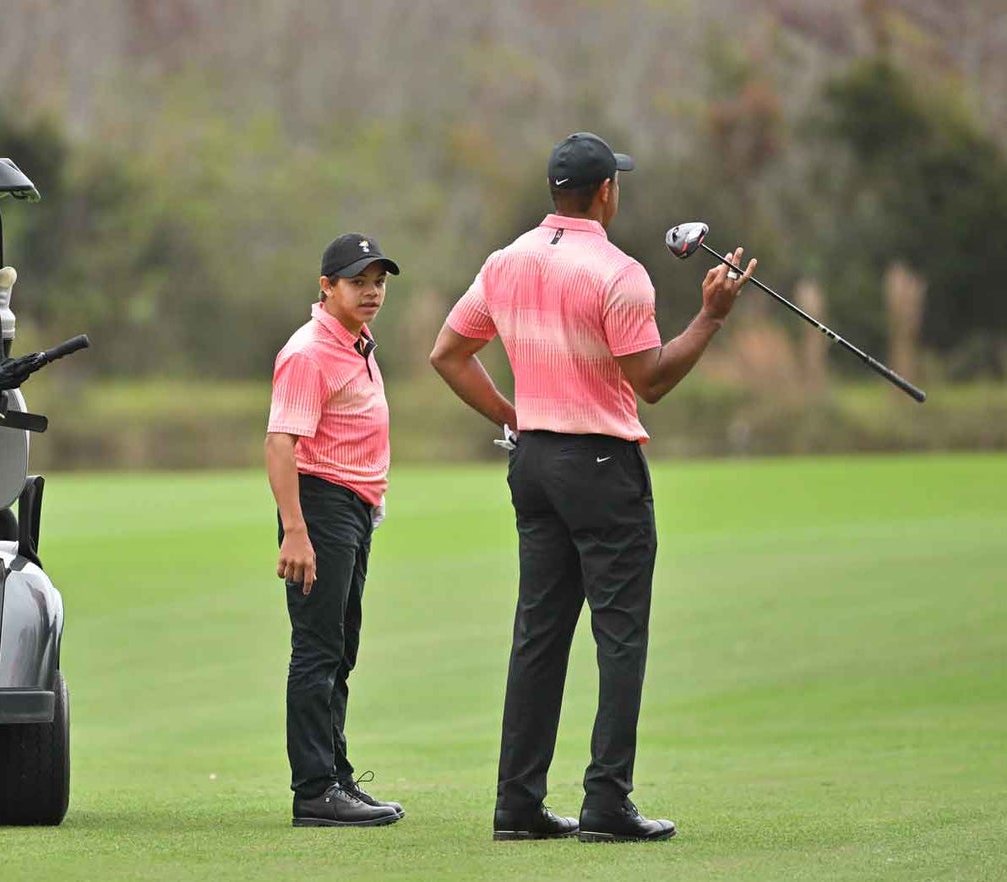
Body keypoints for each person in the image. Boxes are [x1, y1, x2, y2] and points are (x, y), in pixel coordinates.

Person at [429, 132, 755, 843]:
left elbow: (448, 353)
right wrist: (712, 316)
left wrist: (517, 417)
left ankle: (517, 805)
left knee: (538, 637)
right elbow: (653, 381)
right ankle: (607, 803)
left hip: (535, 462)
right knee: (620, 636)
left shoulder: (505, 260)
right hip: (603, 468)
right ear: (607, 191)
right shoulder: (619, 272)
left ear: (556, 192)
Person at [266, 233, 406, 827]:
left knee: (341, 646)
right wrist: (295, 531)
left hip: (349, 508)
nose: (372, 291)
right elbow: (280, 443)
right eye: (358, 282)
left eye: (378, 281)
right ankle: (315, 790)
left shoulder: (356, 342)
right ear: (327, 287)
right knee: (318, 648)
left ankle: (337, 776)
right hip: (319, 506)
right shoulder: (309, 351)